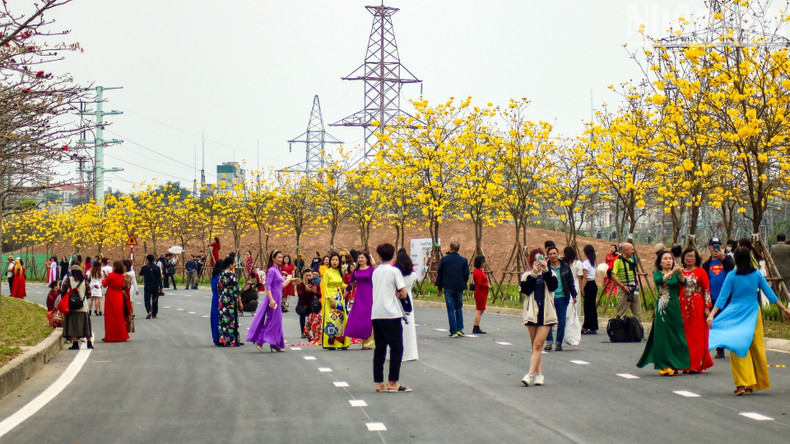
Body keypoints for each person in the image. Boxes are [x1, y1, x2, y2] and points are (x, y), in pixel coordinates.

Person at [708, 247, 790, 395]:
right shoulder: (756, 274)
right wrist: (784, 309)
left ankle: (742, 384)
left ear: (736, 259)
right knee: (756, 347)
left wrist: (712, 315)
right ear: (749, 258)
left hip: (735, 314)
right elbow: (770, 294)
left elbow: (722, 298)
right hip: (753, 313)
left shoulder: (732, 275)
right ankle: (754, 383)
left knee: (737, 347)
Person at [636, 251, 689, 375]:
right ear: (660, 262)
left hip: (675, 308)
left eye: (670, 258)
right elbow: (660, 281)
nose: (668, 261)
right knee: (663, 337)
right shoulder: (657, 274)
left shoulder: (676, 274)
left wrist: (680, 273)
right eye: (665, 259)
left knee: (677, 336)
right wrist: (672, 272)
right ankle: (664, 366)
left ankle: (675, 363)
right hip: (663, 309)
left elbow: (684, 283)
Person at [371, 243, 411, 393]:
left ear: (379, 256)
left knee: (380, 348)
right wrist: (399, 294)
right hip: (391, 314)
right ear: (393, 255)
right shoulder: (394, 271)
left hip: (376, 313)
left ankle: (379, 383)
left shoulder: (375, 272)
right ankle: (393, 382)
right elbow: (404, 293)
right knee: (396, 347)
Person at [520, 248, 558, 386]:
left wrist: (545, 270)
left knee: (538, 344)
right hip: (532, 313)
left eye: (541, 258)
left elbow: (553, 287)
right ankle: (539, 374)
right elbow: (526, 290)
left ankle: (529, 374)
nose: (538, 261)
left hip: (546, 313)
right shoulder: (526, 276)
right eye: (536, 259)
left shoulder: (551, 274)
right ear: (531, 260)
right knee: (535, 345)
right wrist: (534, 274)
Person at [247, 250, 292, 352]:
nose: (281, 259)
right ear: (273, 258)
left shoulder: (277, 270)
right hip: (273, 298)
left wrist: (289, 280)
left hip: (278, 298)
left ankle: (276, 344)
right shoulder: (272, 270)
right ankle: (260, 341)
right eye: (279, 257)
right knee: (271, 320)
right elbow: (268, 286)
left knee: (277, 321)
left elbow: (280, 286)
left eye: (281, 257)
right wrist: (271, 299)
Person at [680, 247, 714, 374]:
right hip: (682, 305)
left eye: (692, 256)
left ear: (696, 259)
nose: (689, 258)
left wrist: (707, 307)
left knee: (696, 334)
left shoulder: (701, 272)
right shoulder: (680, 272)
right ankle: (685, 364)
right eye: (687, 256)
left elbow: (707, 290)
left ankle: (695, 364)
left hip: (697, 305)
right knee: (684, 335)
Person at [701, 237, 735, 359]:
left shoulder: (727, 259)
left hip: (727, 298)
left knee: (727, 323)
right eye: (713, 246)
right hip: (713, 298)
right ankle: (720, 350)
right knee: (715, 323)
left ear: (721, 247)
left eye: (718, 246)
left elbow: (733, 267)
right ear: (709, 248)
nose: (715, 248)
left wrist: (723, 258)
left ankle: (732, 347)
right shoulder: (706, 265)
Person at [544, 246, 577, 351]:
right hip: (548, 298)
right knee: (548, 321)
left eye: (554, 253)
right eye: (550, 254)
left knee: (561, 321)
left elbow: (570, 282)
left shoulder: (565, 267)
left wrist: (574, 295)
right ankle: (549, 342)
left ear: (558, 254)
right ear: (548, 256)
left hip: (562, 297)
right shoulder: (545, 268)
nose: (553, 256)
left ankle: (558, 343)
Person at [436, 241, 469, 338]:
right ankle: (459, 329)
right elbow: (466, 275)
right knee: (458, 308)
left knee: (450, 309)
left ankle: (453, 331)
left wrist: (439, 287)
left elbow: (440, 274)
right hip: (459, 287)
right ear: (458, 249)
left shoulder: (444, 260)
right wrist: (462, 282)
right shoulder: (463, 260)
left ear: (450, 248)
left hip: (448, 287)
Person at [345, 252, 376, 349]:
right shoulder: (356, 271)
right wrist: (344, 295)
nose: (360, 259)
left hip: (370, 296)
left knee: (368, 319)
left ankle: (369, 343)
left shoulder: (372, 270)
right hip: (359, 296)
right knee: (360, 318)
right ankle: (363, 341)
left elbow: (376, 282)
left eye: (362, 258)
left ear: (367, 259)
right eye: (359, 258)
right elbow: (350, 283)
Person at [320, 252, 349, 349]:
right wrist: (330, 299)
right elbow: (325, 286)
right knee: (330, 320)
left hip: (339, 298)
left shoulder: (339, 272)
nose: (334, 262)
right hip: (330, 297)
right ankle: (330, 343)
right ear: (330, 261)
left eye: (336, 260)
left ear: (339, 261)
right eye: (333, 260)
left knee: (340, 319)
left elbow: (341, 284)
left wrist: (350, 285)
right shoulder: (327, 272)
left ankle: (342, 343)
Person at [396, 248, 419, 361]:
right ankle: (411, 353)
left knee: (397, 327)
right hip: (408, 300)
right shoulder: (413, 275)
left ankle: (396, 353)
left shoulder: (396, 274)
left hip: (397, 299)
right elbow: (413, 285)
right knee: (409, 327)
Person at [63, 265, 93, 350]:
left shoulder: (68, 280)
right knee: (85, 326)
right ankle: (89, 343)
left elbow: (63, 291)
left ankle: (75, 343)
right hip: (83, 306)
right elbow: (89, 293)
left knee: (71, 326)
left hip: (71, 306)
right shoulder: (84, 280)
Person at [610, 242, 642, 322]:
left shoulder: (631, 261)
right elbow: (613, 275)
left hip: (634, 288)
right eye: (631, 250)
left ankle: (638, 328)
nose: (633, 252)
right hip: (624, 289)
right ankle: (619, 328)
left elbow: (634, 274)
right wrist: (623, 286)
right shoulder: (617, 261)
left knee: (638, 313)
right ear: (624, 251)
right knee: (622, 313)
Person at [217, 256, 243, 347]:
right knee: (231, 320)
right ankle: (231, 340)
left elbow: (218, 288)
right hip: (230, 300)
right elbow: (236, 290)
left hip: (222, 299)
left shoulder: (221, 275)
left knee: (223, 320)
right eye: (233, 264)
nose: (234, 265)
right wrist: (240, 302)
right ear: (230, 265)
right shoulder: (232, 275)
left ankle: (223, 340)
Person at [102, 261, 130, 343]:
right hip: (119, 296)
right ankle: (121, 335)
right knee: (119, 316)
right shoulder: (122, 276)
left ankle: (110, 336)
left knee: (109, 317)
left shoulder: (111, 275)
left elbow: (104, 284)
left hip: (111, 296)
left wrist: (103, 279)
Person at [580, 245, 599, 335]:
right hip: (593, 284)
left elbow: (585, 277)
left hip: (588, 284)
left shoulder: (585, 263)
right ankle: (593, 327)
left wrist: (582, 288)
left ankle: (586, 326)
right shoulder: (593, 262)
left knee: (587, 307)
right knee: (592, 307)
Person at [296, 268, 320, 337]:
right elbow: (300, 296)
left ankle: (313, 332)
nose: (308, 277)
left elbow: (320, 295)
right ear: (303, 276)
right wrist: (305, 290)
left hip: (311, 305)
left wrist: (315, 292)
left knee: (313, 316)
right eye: (306, 275)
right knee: (303, 313)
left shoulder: (315, 285)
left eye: (310, 275)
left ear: (312, 276)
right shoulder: (300, 285)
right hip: (301, 305)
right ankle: (303, 332)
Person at [139, 254, 163, 320]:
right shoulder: (157, 268)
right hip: (155, 286)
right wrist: (161, 287)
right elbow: (159, 278)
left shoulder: (145, 267)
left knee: (147, 299)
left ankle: (149, 311)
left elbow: (140, 274)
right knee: (155, 299)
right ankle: (154, 314)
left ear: (147, 260)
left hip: (147, 286)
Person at [471, 255, 489, 335]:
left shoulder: (480, 271)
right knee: (479, 310)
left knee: (481, 310)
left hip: (483, 293)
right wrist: (487, 286)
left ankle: (477, 326)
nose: (485, 263)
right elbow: (479, 283)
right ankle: (476, 327)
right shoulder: (477, 272)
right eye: (483, 261)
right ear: (480, 262)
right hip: (480, 293)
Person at [210, 260, 224, 346]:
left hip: (214, 298)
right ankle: (220, 338)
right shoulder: (221, 276)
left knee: (214, 318)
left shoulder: (214, 276)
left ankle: (215, 338)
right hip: (220, 298)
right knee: (220, 318)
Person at [122, 260, 136, 334]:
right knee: (130, 303)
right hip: (128, 291)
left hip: (126, 292)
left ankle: (130, 317)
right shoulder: (130, 273)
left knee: (128, 305)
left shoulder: (127, 275)